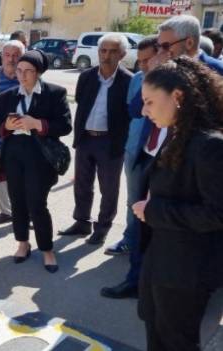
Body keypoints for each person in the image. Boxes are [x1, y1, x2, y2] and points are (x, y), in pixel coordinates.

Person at [133, 56, 223, 351]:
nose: (144, 111)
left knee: (177, 342)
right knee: (156, 336)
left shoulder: (209, 144)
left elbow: (217, 214)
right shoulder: (178, 134)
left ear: (178, 96)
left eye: (149, 102)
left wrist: (154, 211)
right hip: (162, 262)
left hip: (184, 272)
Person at [0, 50, 72, 273]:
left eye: (28, 71)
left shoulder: (55, 93)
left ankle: (47, 249)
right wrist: (7, 127)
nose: (23, 75)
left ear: (38, 72)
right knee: (17, 201)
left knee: (37, 203)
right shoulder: (7, 95)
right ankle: (23, 243)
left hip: (40, 154)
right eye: (19, 70)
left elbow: (65, 126)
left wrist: (37, 123)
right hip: (13, 153)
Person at [101, 36, 161, 298]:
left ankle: (147, 269)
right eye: (140, 60)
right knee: (135, 205)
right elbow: (135, 111)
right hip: (137, 150)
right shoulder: (139, 79)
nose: (144, 65)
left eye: (149, 60)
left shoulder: (177, 80)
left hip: (164, 157)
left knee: (156, 212)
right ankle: (133, 251)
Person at [59, 34, 132, 245]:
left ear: (122, 54)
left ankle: (102, 227)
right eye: (103, 50)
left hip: (111, 142)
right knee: (82, 184)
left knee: (108, 188)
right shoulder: (87, 77)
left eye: (112, 51)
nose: (106, 55)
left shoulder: (128, 80)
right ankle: (82, 222)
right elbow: (81, 102)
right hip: (86, 139)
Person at [0, 39, 25, 225]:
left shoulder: (29, 76)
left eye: (16, 55)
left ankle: (27, 214)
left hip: (24, 141)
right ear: (2, 56)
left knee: (24, 180)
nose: (11, 59)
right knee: (0, 178)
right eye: (8, 55)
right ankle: (6, 211)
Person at [157, 15, 223, 75]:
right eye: (158, 46)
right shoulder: (164, 67)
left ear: (189, 43)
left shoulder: (218, 71)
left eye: (166, 46)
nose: (160, 52)